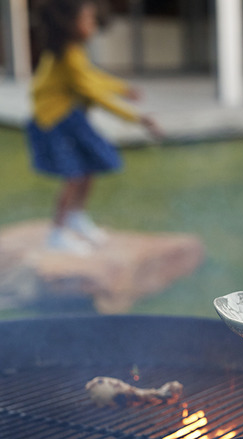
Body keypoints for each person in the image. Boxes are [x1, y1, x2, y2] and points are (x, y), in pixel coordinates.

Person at [26, 0, 160, 255]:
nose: (92, 25)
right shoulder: (65, 55)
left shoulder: (73, 52)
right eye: (86, 20)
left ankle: (76, 218)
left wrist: (122, 89)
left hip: (70, 116)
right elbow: (91, 90)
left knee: (89, 167)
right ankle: (57, 233)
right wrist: (137, 118)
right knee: (74, 175)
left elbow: (92, 78)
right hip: (53, 121)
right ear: (68, 24)